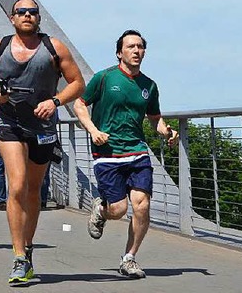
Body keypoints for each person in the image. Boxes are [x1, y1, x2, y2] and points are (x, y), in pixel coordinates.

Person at [0, 0, 85, 285]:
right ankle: (19, 256)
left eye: (32, 12)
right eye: (21, 12)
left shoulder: (54, 47)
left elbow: (77, 83)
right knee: (19, 184)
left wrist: (55, 101)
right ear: (12, 18)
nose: (27, 16)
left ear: (39, 18)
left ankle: (29, 245)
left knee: (34, 190)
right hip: (9, 123)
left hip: (43, 126)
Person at [73, 29, 178, 279]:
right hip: (108, 153)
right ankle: (102, 209)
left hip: (137, 151)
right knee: (118, 210)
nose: (136, 51)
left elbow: (154, 119)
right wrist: (93, 130)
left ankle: (129, 258)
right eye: (131, 46)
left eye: (140, 47)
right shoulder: (104, 78)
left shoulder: (149, 86)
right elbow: (79, 104)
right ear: (120, 52)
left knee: (142, 205)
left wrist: (166, 131)